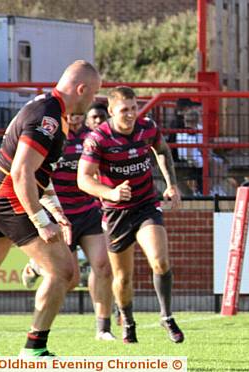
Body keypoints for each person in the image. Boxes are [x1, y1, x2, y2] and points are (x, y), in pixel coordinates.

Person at [0, 60, 101, 357]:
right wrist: (40, 219)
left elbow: (38, 174)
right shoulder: (47, 116)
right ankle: (34, 350)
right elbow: (22, 173)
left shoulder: (49, 109)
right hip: (11, 200)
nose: (93, 101)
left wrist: (54, 208)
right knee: (64, 272)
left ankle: (35, 348)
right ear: (81, 89)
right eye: (93, 93)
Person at [77, 86, 184, 344]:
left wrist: (171, 184)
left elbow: (162, 150)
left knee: (160, 261)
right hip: (116, 214)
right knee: (123, 279)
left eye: (134, 108)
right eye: (125, 110)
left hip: (146, 204)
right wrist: (111, 193)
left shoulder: (147, 127)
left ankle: (166, 316)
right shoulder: (98, 139)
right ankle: (128, 319)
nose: (131, 114)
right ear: (111, 111)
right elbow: (84, 179)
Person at [21, 109, 115, 341]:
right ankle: (36, 266)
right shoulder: (53, 137)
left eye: (78, 113)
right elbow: (36, 174)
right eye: (70, 113)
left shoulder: (92, 138)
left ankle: (103, 329)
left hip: (89, 210)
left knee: (103, 266)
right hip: (61, 214)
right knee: (70, 280)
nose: (75, 116)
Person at [172, 98, 230, 197]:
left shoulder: (183, 126)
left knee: (217, 162)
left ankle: (211, 188)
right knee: (215, 162)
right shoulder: (190, 130)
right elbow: (191, 148)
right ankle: (209, 189)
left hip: (187, 155)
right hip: (190, 157)